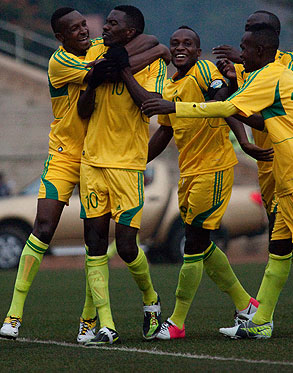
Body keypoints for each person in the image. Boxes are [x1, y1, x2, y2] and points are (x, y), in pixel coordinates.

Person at [141, 23, 293, 339]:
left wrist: (174, 107)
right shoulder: (278, 77)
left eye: (244, 48)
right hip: (288, 172)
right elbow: (252, 115)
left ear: (260, 51)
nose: (240, 54)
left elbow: (228, 106)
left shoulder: (268, 75)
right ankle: (260, 320)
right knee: (280, 248)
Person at [0, 7, 170, 344]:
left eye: (83, 25)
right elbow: (105, 71)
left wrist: (157, 49)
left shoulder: (97, 46)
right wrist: (151, 52)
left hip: (98, 156)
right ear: (60, 37)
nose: (84, 31)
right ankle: (13, 316)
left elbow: (142, 39)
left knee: (102, 240)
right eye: (74, 28)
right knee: (44, 227)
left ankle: (90, 320)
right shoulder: (60, 62)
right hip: (66, 156)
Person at [146, 26, 273, 340]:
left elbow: (222, 98)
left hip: (214, 170)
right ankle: (247, 305)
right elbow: (164, 131)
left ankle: (176, 322)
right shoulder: (171, 84)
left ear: (197, 50)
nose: (180, 48)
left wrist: (242, 141)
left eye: (187, 43)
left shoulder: (205, 70)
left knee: (193, 243)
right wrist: (136, 163)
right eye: (175, 43)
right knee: (201, 245)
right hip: (188, 173)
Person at [214, 10, 293, 335]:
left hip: (291, 159)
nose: (244, 41)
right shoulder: (249, 67)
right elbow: (242, 101)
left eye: (251, 33)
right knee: (282, 238)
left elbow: (267, 99)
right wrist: (234, 74)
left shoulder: (291, 62)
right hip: (267, 162)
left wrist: (240, 71)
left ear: (266, 38)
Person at [76, 5, 167, 345]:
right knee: (95, 242)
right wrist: (93, 82)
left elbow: (150, 103)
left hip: (128, 164)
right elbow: (85, 111)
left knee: (127, 246)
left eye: (114, 23)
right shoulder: (98, 51)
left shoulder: (152, 62)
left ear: (131, 32)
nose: (106, 27)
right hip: (93, 162)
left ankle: (150, 300)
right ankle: (106, 324)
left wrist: (124, 70)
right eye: (108, 21)